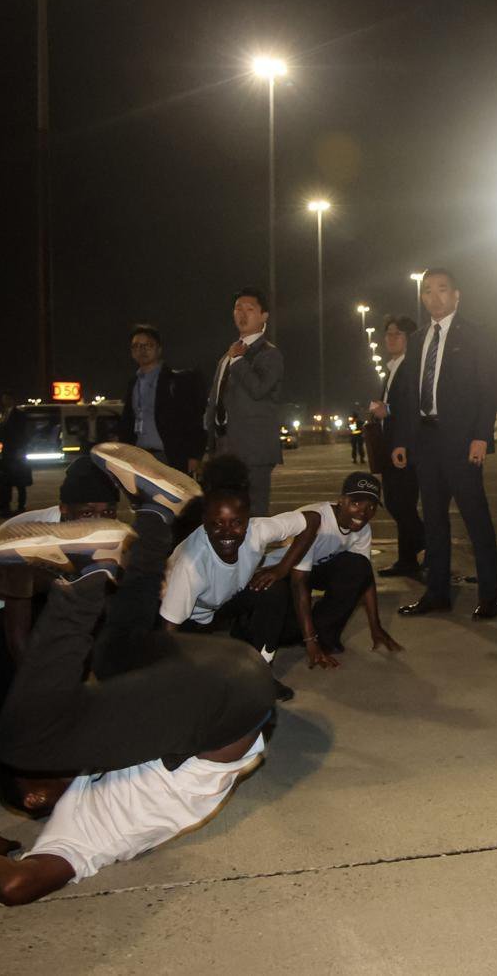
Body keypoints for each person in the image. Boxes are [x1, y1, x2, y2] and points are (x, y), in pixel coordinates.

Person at [0, 454, 273, 906]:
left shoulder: (99, 756)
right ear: (34, 798)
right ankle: (86, 580)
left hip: (227, 678)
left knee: (112, 651)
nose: (66, 761)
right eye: (44, 774)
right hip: (225, 709)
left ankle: (155, 513)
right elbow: (14, 885)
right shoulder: (70, 834)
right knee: (17, 742)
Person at [0, 456, 121, 729]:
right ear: (64, 509)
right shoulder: (29, 541)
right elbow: (18, 638)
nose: (101, 523)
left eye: (109, 512)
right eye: (88, 513)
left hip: (42, 600)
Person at [393, 269, 497, 620]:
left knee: (475, 518)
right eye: (427, 291)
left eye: (442, 289)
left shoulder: (475, 335)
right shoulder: (420, 337)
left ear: (457, 295)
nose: (434, 297)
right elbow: (410, 392)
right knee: (434, 521)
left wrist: (481, 435)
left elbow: (488, 389)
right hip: (426, 440)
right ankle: (436, 592)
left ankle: (489, 596)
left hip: (461, 440)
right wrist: (403, 440)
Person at [155, 451, 309, 700]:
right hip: (189, 616)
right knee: (206, 688)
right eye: (218, 520)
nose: (227, 527)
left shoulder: (255, 529)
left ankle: (263, 672)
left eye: (237, 519)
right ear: (206, 516)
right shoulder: (191, 559)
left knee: (274, 589)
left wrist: (282, 568)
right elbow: (169, 627)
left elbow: (310, 520)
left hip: (225, 601)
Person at [259, 472, 404, 664]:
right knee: (288, 634)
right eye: (356, 503)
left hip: (314, 571)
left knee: (358, 567)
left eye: (371, 507)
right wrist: (310, 640)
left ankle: (325, 634)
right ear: (341, 501)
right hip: (283, 573)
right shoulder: (317, 520)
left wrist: (375, 626)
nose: (363, 512)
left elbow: (365, 578)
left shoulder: (362, 529)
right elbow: (298, 582)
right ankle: (304, 634)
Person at [205, 288, 285, 516]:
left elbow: (259, 389)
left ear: (264, 316)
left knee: (254, 513)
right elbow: (216, 400)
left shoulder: (269, 354)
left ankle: (253, 553)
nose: (242, 314)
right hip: (223, 447)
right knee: (226, 514)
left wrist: (238, 359)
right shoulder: (228, 354)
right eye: (238, 308)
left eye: (250, 309)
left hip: (254, 450)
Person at [369, 314, 426, 579]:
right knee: (397, 503)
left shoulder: (411, 367)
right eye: (388, 333)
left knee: (400, 503)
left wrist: (387, 409)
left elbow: (412, 407)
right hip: (391, 445)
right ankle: (408, 559)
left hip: (406, 448)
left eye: (397, 334)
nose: (390, 338)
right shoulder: (393, 368)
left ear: (410, 339)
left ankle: (429, 544)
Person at [118, 324, 207, 474]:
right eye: (137, 346)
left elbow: (193, 419)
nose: (142, 350)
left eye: (148, 345)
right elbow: (128, 420)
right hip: (139, 457)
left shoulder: (176, 381)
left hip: (168, 457)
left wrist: (194, 455)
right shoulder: (133, 383)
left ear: (159, 349)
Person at [0, 393, 33, 516]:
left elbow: (23, 433)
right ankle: (7, 505)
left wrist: (21, 449)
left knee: (19, 480)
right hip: (8, 451)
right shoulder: (4, 414)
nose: (5, 401)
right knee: (8, 480)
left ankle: (20, 505)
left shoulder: (19, 415)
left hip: (16, 451)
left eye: (7, 398)